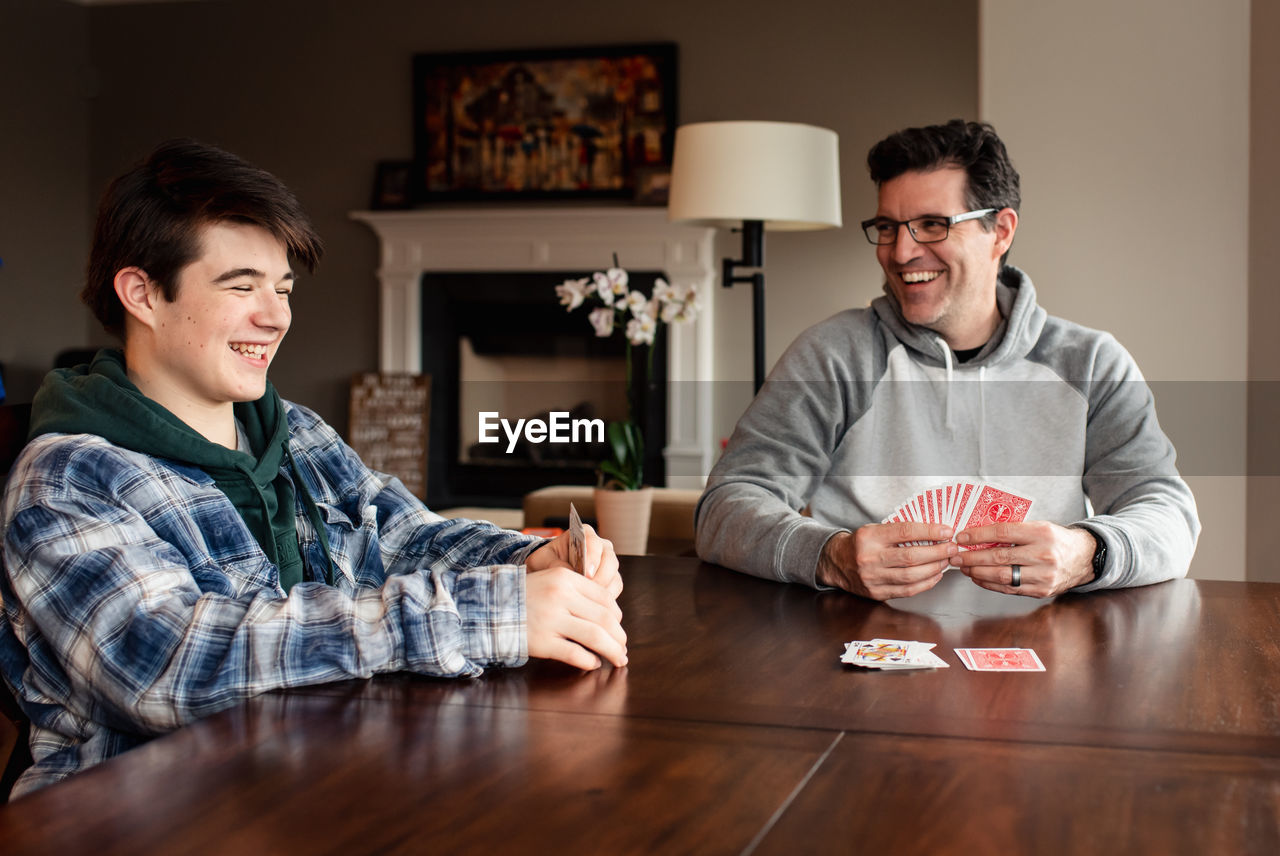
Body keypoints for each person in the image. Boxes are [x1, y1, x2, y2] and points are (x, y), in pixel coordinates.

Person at [0, 140, 627, 797]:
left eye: (282, 288)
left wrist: (526, 562)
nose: (275, 317)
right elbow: (171, 667)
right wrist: (484, 612)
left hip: (323, 784)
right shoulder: (69, 477)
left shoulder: (294, 431)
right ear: (142, 294)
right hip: (145, 820)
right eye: (241, 287)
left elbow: (398, 537)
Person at [695, 119, 1199, 601]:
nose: (901, 252)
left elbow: (1168, 514)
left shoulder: (1092, 363)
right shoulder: (833, 354)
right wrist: (831, 556)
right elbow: (725, 507)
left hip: (1043, 650)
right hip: (861, 648)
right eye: (888, 227)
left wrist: (1087, 553)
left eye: (932, 225)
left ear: (1000, 231)